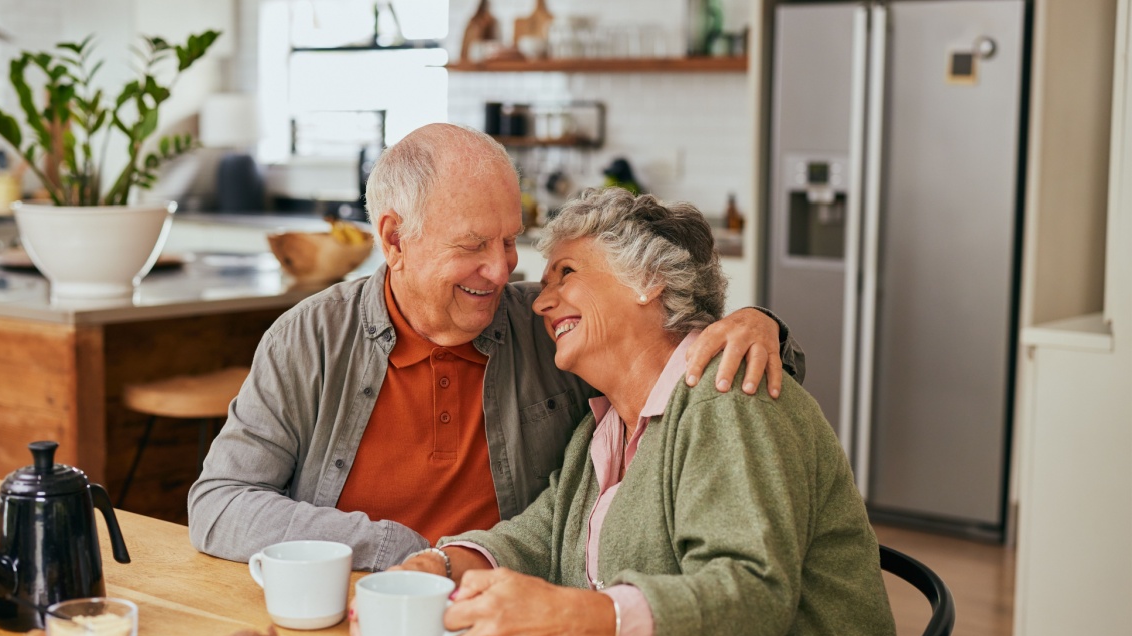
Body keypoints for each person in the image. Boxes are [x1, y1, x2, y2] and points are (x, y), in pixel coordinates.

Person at [188, 124, 805, 571]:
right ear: (395, 239)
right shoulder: (312, 338)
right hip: (363, 602)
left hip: (509, 615)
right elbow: (218, 505)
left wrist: (759, 322)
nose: (500, 270)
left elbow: (700, 364)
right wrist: (399, 551)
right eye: (473, 245)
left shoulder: (552, 326)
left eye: (510, 241)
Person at [381, 188, 898, 636]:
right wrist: (445, 564)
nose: (540, 301)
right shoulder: (603, 426)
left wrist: (579, 618)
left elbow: (751, 595)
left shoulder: (728, 396)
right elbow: (541, 536)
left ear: (649, 281)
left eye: (566, 274)